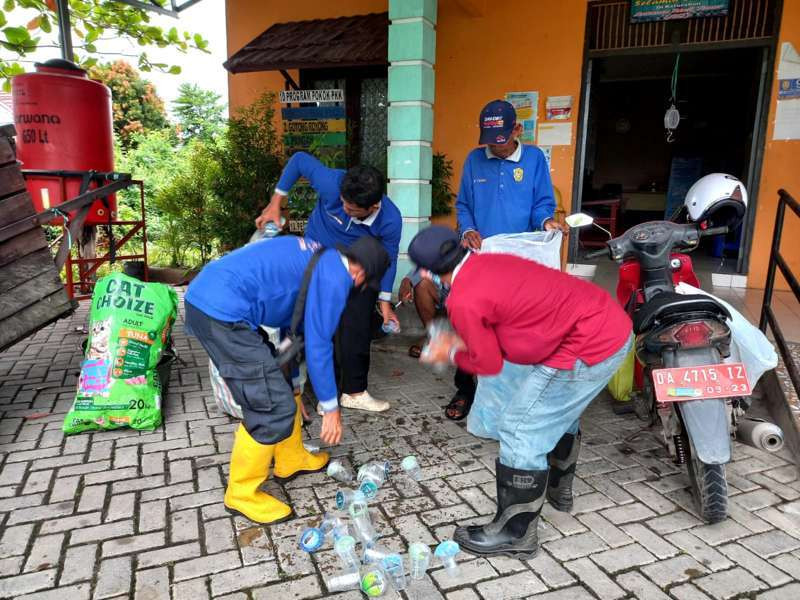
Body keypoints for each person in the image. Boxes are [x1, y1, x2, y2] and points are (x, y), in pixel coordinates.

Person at [408, 226, 632, 559]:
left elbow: (486, 363)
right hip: (605, 323)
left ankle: (516, 533)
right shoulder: (489, 261)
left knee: (519, 428)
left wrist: (449, 351)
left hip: (587, 344)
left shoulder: (463, 298)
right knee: (555, 410)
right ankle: (558, 490)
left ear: (426, 271)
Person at [184, 235, 389, 524]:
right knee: (270, 406)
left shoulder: (322, 256)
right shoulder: (335, 280)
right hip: (221, 314)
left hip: (213, 299)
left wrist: (293, 385)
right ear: (361, 275)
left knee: (279, 389)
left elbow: (292, 332)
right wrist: (331, 409)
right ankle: (241, 492)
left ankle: (290, 458)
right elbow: (319, 346)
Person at [256, 154, 401, 413]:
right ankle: (322, 394)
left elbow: (387, 260)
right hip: (316, 259)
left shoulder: (390, 219)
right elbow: (299, 160)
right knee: (312, 325)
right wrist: (276, 202)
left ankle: (354, 392)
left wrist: (385, 303)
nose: (343, 210)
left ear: (374, 206)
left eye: (352, 209)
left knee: (355, 325)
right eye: (342, 204)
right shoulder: (332, 183)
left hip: (356, 266)